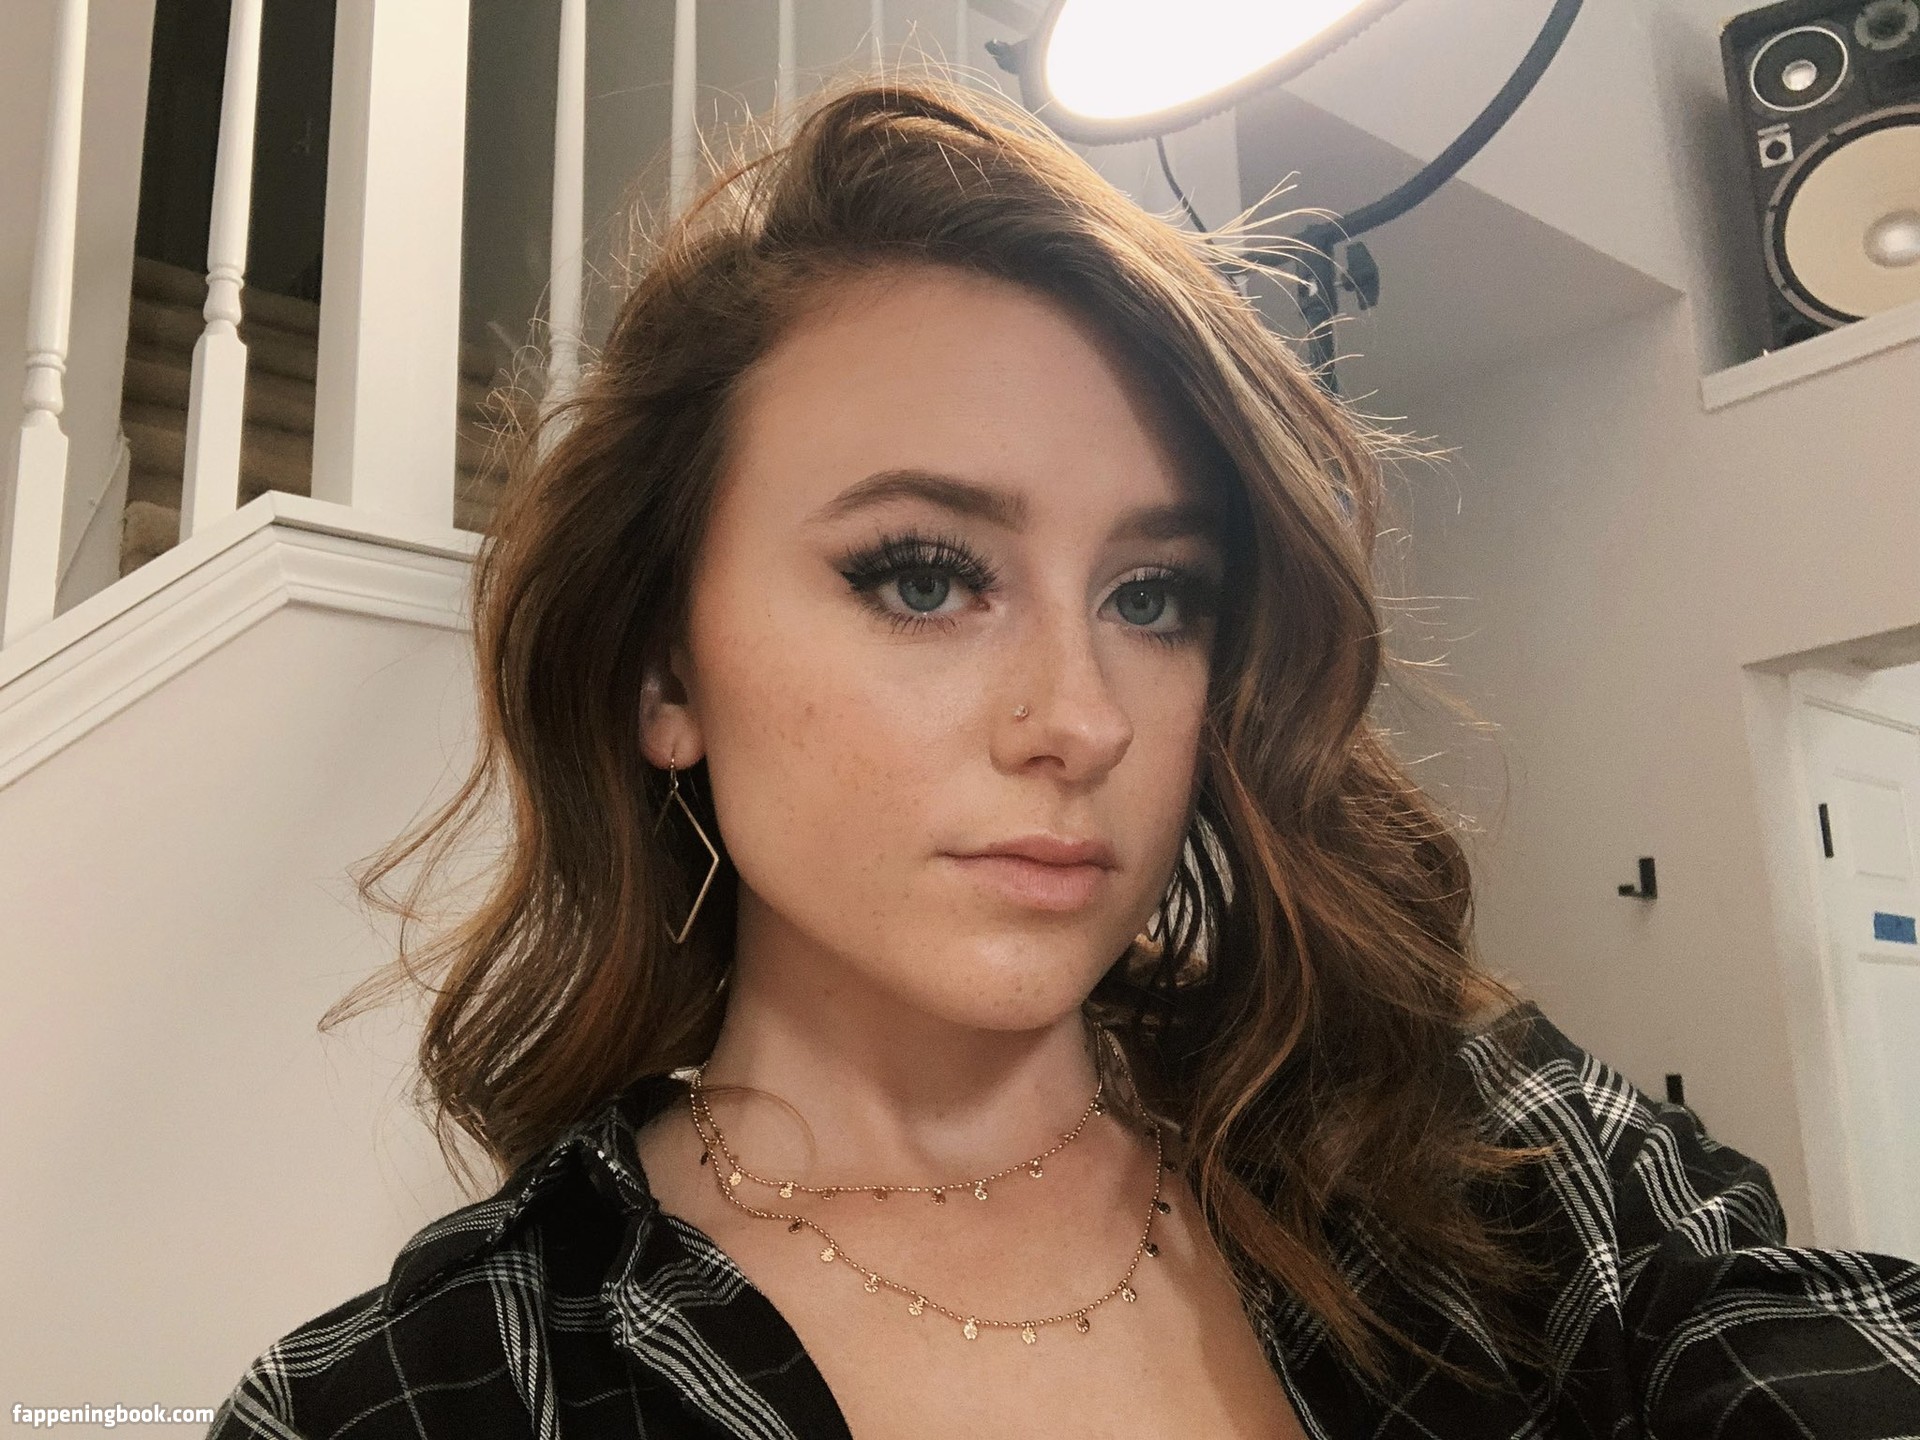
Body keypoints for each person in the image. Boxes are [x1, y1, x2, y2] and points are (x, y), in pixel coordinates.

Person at [207, 67, 1920, 1439]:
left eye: (1154, 596)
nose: (1085, 719)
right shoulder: (429, 1396)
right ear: (669, 671)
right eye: (923, 576)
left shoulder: (1465, 1141)